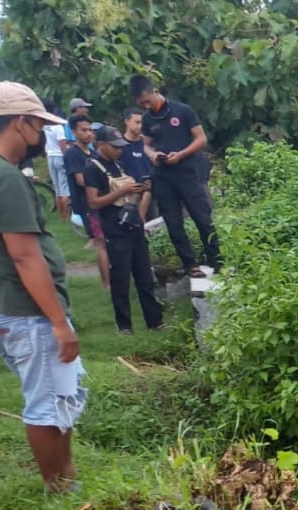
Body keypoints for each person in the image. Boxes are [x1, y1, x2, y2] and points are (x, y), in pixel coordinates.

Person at [0, 82, 84, 491]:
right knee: (45, 402)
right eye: (39, 125)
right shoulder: (3, 176)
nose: (43, 134)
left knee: (55, 396)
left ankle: (66, 480)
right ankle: (58, 487)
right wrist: (59, 322)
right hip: (24, 309)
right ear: (21, 123)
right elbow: (25, 256)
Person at [130, 74, 220, 277]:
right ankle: (191, 265)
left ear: (155, 91)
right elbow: (145, 145)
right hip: (163, 177)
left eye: (147, 101)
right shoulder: (147, 119)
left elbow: (201, 139)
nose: (145, 106)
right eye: (141, 103)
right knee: (173, 222)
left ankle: (216, 260)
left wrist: (181, 154)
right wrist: (153, 155)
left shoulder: (182, 111)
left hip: (187, 173)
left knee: (202, 218)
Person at [83, 125, 160, 334]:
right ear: (100, 145)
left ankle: (155, 321)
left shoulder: (120, 165)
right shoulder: (92, 168)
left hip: (133, 225)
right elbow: (94, 202)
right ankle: (124, 325)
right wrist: (122, 191)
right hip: (115, 229)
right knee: (121, 278)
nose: (119, 150)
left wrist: (139, 190)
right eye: (115, 146)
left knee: (145, 276)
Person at [62, 115, 110, 292]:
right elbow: (81, 180)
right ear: (73, 132)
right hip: (88, 204)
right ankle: (106, 284)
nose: (89, 134)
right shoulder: (72, 154)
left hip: (102, 201)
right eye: (84, 130)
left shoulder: (93, 152)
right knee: (101, 243)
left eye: (90, 130)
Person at [119, 109, 154, 182]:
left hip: (151, 187)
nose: (140, 126)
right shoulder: (118, 145)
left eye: (143, 123)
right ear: (126, 122)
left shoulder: (148, 144)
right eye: (137, 122)